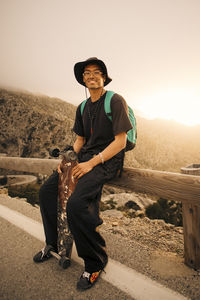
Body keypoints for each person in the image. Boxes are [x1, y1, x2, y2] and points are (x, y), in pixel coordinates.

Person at [33, 57, 133, 290]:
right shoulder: (83, 107)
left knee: (77, 205)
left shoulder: (115, 101)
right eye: (86, 73)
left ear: (104, 77)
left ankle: (96, 261)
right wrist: (66, 161)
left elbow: (121, 141)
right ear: (82, 79)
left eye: (97, 72)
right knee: (47, 192)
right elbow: (79, 141)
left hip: (107, 161)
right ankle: (54, 245)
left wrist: (92, 163)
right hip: (85, 159)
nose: (91, 76)